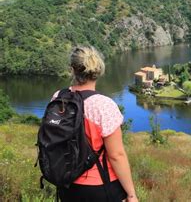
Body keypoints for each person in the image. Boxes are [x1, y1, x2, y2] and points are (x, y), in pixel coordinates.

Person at [52, 45, 138, 202]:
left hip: (67, 184)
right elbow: (116, 155)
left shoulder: (58, 97)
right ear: (99, 71)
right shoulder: (103, 105)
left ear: (72, 70)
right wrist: (131, 194)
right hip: (100, 185)